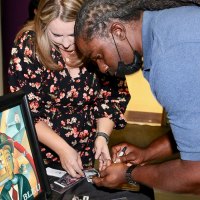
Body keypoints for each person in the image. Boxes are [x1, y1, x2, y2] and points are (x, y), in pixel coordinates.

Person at [74, 0, 200, 195]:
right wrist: (147, 153)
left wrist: (129, 174)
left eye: (99, 56)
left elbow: (194, 175)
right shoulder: (169, 24)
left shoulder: (170, 61)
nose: (102, 68)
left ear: (117, 31)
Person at [8, 0, 131, 178]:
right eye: (56, 35)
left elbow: (111, 96)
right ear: (43, 26)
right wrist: (63, 149)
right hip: (39, 151)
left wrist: (102, 135)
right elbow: (27, 111)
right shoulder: (28, 46)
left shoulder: (99, 40)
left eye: (73, 34)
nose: (66, 44)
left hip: (84, 149)